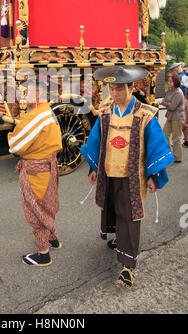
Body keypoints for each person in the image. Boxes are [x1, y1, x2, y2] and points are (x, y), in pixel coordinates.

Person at [80, 66, 175, 289]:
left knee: (130, 214)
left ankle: (127, 267)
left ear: (131, 87)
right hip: (109, 171)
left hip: (133, 175)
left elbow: (156, 145)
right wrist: (94, 167)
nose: (115, 94)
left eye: (119, 89)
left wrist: (154, 175)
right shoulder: (105, 112)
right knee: (113, 207)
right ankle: (118, 241)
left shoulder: (144, 114)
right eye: (111, 89)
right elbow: (97, 140)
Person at [8, 79, 62, 267]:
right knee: (48, 203)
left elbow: (14, 146)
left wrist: (10, 135)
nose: (24, 96)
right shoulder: (48, 111)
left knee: (36, 209)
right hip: (49, 165)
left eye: (28, 91)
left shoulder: (35, 117)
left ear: (38, 94)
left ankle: (43, 253)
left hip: (35, 170)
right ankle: (53, 238)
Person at [162, 74, 185, 162]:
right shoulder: (170, 91)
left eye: (170, 81)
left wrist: (165, 103)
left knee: (176, 138)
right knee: (164, 134)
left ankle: (178, 157)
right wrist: (167, 103)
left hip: (177, 117)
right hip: (170, 116)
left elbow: (172, 107)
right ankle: (170, 153)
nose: (169, 83)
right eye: (168, 81)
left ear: (175, 82)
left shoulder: (178, 92)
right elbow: (167, 102)